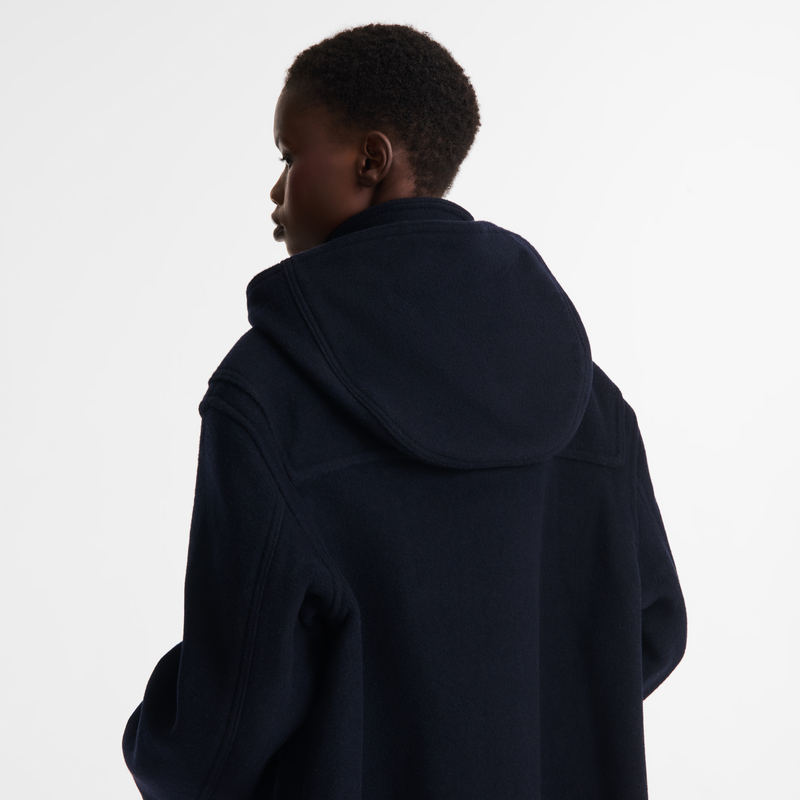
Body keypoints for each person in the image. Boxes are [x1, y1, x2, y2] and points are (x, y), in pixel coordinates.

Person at [122, 23, 686, 800]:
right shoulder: (589, 396)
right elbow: (649, 627)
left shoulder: (268, 393)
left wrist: (154, 738)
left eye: (288, 155)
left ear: (371, 159)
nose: (276, 191)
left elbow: (220, 725)